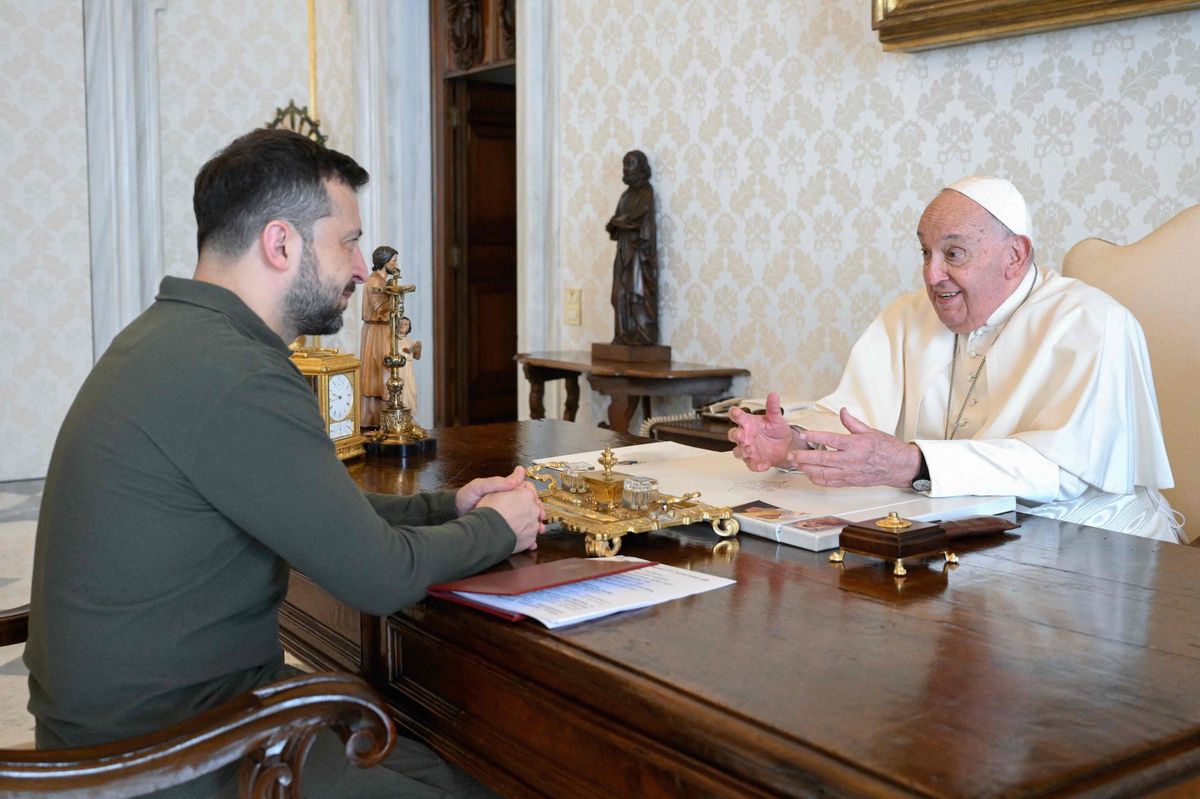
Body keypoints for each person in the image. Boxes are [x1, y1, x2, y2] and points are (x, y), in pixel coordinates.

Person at [24, 128, 545, 797]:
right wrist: (503, 527)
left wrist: (448, 506)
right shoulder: (233, 371)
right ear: (280, 243)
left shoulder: (177, 335)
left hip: (141, 725)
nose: (363, 268)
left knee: (446, 759)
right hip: (158, 758)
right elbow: (381, 576)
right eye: (349, 241)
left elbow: (313, 508)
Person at [729, 176, 1182, 542]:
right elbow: (854, 419)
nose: (931, 274)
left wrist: (915, 464)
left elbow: (1064, 471)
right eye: (926, 252)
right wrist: (796, 442)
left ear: (1014, 255)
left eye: (954, 253)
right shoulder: (908, 315)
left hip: (1088, 540)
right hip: (955, 532)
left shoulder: (1091, 323)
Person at [606, 149, 659, 346]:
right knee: (619, 294)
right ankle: (622, 334)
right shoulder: (625, 196)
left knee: (637, 294)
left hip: (638, 253)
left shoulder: (646, 193)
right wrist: (617, 223)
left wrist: (621, 222)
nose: (627, 170)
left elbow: (639, 221)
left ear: (642, 169)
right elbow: (615, 222)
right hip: (623, 250)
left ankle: (643, 334)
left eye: (632, 165)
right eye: (626, 165)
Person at [360, 244, 399, 427]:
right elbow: (382, 311)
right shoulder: (375, 282)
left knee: (386, 371)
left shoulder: (384, 281)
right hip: (377, 331)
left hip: (384, 330)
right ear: (384, 262)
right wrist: (394, 299)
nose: (396, 264)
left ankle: (386, 416)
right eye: (393, 260)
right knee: (379, 373)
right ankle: (375, 418)